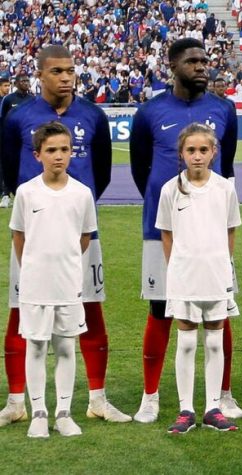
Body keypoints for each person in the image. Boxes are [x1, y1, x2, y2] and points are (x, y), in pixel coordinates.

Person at [0, 45, 130, 427]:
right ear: (40, 74)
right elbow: (8, 167)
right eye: (57, 71)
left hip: (81, 233)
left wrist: (72, 208)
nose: (67, 77)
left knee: (91, 310)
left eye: (71, 70)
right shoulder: (17, 118)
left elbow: (101, 173)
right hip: (33, 235)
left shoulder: (91, 115)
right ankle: (16, 401)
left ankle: (97, 399)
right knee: (20, 313)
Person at [130, 38, 241, 423]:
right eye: (193, 60)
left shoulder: (223, 108)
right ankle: (150, 396)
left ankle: (222, 395)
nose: (201, 66)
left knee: (218, 310)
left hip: (211, 234)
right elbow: (140, 167)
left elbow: (225, 169)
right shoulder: (149, 111)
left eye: (205, 60)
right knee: (160, 309)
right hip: (162, 227)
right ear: (173, 64)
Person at [11, 122, 97, 437]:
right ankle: (38, 414)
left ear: (71, 152)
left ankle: (63, 413)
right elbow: (19, 236)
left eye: (64, 149)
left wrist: (67, 263)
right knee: (35, 346)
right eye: (51, 151)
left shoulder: (82, 193)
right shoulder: (26, 192)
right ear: (38, 155)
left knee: (65, 347)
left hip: (68, 283)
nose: (58, 156)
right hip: (35, 283)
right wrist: (33, 266)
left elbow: (85, 237)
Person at [156, 123, 241, 434]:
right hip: (184, 275)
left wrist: (224, 265)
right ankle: (186, 409)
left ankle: (213, 408)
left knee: (215, 340)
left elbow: (230, 229)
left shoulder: (225, 188)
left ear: (213, 152)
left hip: (215, 273)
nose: (197, 156)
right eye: (191, 150)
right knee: (188, 340)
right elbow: (166, 233)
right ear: (182, 153)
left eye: (203, 150)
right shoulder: (170, 189)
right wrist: (175, 269)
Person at [0, 74, 34, 209]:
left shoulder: (33, 99)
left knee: (25, 166)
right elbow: (2, 119)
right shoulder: (8, 99)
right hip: (10, 138)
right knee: (8, 165)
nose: (26, 83)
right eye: (23, 81)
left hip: (26, 139)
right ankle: (6, 195)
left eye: (27, 80)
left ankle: (24, 195)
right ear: (17, 83)